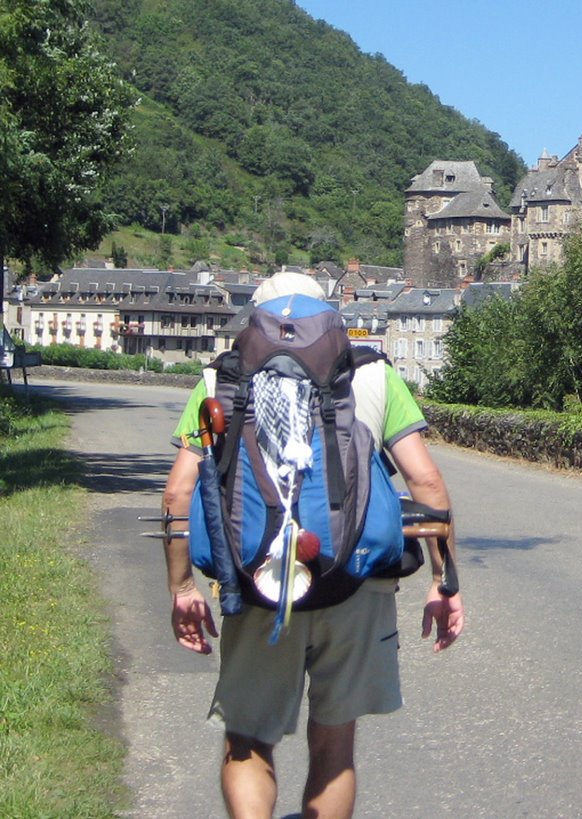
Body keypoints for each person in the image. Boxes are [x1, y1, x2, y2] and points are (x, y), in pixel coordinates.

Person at [160, 271, 464, 818]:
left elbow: (179, 492)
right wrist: (445, 583)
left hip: (256, 581)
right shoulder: (372, 375)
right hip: (355, 585)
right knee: (334, 746)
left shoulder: (218, 382)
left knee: (247, 739)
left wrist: (183, 586)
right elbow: (427, 484)